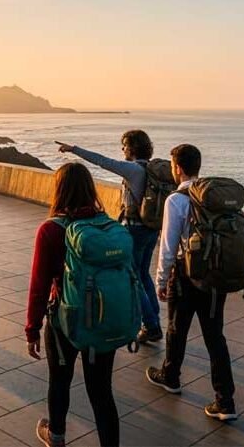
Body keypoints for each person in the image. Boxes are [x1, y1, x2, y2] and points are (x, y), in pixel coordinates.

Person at [26, 162, 120, 447]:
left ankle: (56, 436)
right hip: (103, 319)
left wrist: (32, 329)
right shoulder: (108, 226)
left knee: (60, 381)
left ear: (59, 190)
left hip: (64, 321)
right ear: (90, 189)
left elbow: (39, 285)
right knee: (101, 391)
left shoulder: (51, 230)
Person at [145, 144, 237, 421]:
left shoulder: (177, 199)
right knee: (215, 337)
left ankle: (171, 376)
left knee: (177, 328)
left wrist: (161, 279)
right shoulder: (212, 196)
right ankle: (225, 401)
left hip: (185, 276)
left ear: (177, 168)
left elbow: (168, 245)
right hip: (214, 277)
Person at [58, 130, 163, 343]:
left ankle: (151, 325)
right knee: (143, 275)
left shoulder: (133, 169)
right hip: (151, 229)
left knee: (134, 278)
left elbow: (102, 161)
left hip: (135, 230)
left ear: (132, 148)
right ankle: (154, 321)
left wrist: (74, 149)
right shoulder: (152, 170)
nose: (122, 149)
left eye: (124, 145)